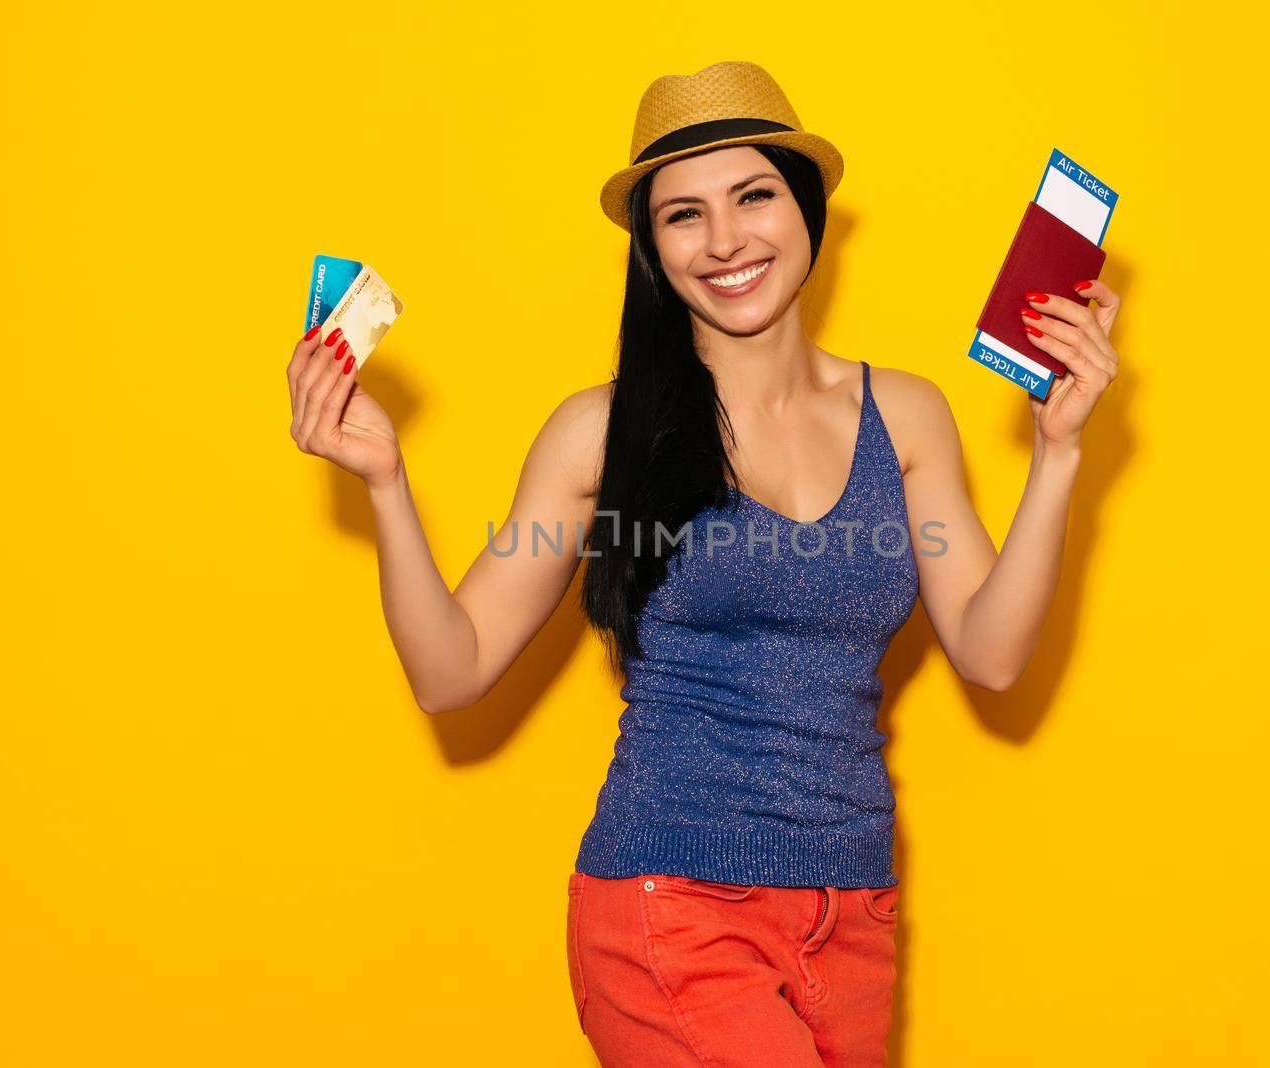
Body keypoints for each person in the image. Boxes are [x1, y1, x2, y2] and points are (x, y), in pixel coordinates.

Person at [284, 60, 1122, 1068]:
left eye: (754, 196)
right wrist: (384, 481)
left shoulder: (905, 420)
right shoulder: (600, 433)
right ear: (652, 248)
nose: (724, 241)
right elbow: (450, 669)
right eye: (683, 215)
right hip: (669, 903)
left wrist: (1060, 451)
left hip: (850, 913)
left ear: (806, 207)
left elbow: (990, 653)